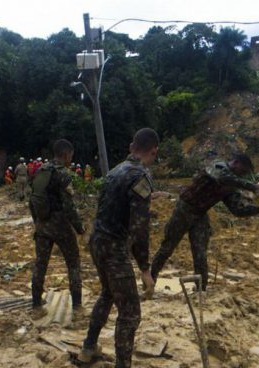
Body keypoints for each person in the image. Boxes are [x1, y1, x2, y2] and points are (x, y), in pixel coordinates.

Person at [80, 128, 159, 367]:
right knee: (130, 312)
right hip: (114, 247)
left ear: (131, 146)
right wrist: (145, 270)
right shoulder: (141, 176)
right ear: (153, 151)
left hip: (98, 242)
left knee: (107, 293)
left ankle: (89, 347)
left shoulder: (114, 172)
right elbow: (139, 228)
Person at [150, 154, 259, 291]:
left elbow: (237, 210)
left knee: (200, 254)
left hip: (200, 215)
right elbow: (221, 177)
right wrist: (251, 186)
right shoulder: (218, 166)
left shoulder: (232, 186)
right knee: (167, 248)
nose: (242, 175)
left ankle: (201, 290)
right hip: (184, 210)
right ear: (236, 163)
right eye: (243, 171)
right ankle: (149, 281)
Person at [28, 140, 85, 315]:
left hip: (42, 224)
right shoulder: (63, 174)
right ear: (67, 154)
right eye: (71, 156)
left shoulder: (40, 170)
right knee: (73, 263)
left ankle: (36, 304)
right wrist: (79, 228)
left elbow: (33, 199)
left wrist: (37, 221)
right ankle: (77, 305)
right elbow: (68, 207)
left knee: (41, 263)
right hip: (60, 226)